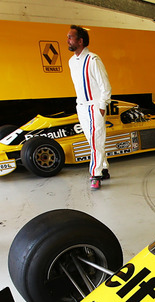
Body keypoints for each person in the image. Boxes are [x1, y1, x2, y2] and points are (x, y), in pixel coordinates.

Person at [67, 24, 112, 191]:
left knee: (95, 141)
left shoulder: (93, 60)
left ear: (80, 41)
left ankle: (96, 174)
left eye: (70, 37)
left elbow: (105, 86)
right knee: (93, 141)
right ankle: (104, 167)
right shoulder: (72, 62)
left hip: (95, 107)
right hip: (81, 107)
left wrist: (101, 105)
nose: (68, 40)